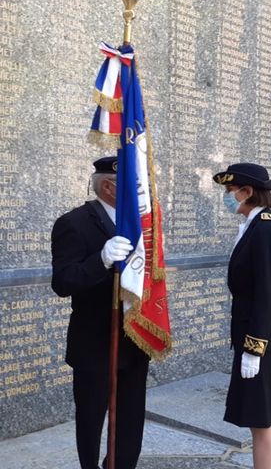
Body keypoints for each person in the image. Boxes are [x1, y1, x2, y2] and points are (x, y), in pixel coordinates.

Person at [51, 156, 149, 469]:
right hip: (95, 345)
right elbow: (63, 282)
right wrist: (101, 260)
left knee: (131, 422)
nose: (140, 192)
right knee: (92, 421)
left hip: (134, 341)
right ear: (108, 187)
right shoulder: (73, 223)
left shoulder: (139, 224)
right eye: (134, 186)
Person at [213, 163, 271, 469]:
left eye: (230, 192)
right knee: (257, 417)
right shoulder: (252, 226)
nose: (227, 198)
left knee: (262, 418)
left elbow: (267, 294)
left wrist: (253, 349)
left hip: (261, 340)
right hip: (251, 334)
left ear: (247, 192)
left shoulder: (267, 230)